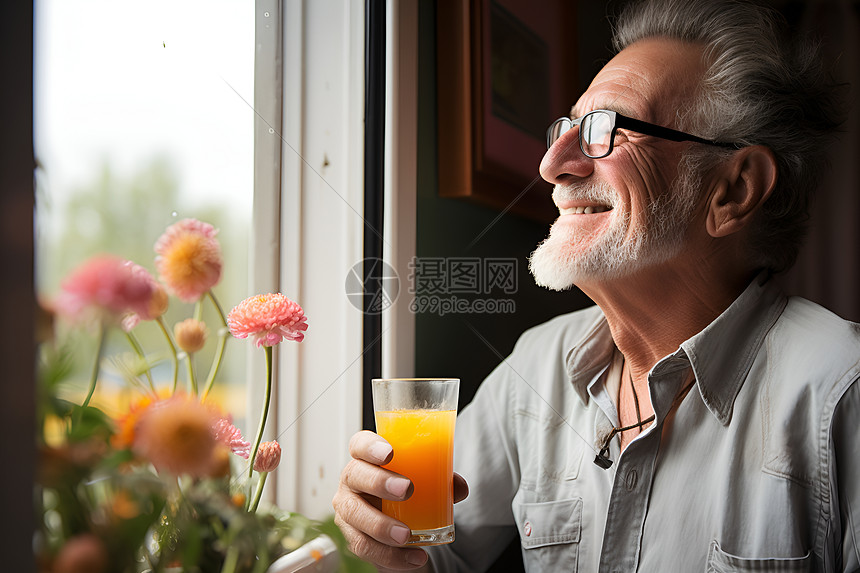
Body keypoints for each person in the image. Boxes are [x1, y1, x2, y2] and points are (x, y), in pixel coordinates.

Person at [333, 0, 859, 570]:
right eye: (566, 129)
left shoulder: (841, 393)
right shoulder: (538, 364)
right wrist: (383, 536)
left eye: (605, 129)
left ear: (733, 189)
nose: (552, 164)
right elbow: (430, 553)